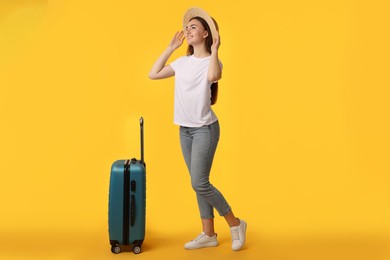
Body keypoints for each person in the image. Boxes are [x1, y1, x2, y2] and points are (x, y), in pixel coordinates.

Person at [148, 7, 247, 251]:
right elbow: (153, 74)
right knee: (198, 182)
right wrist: (170, 48)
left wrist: (215, 50)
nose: (187, 30)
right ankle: (209, 234)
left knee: (199, 182)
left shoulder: (212, 62)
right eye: (187, 27)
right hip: (185, 130)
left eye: (193, 27)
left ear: (205, 34)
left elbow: (215, 75)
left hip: (205, 129)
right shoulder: (182, 62)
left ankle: (235, 223)